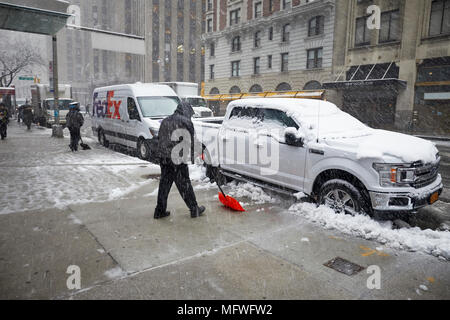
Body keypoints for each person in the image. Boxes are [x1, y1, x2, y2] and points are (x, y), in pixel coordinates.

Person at [154, 102, 205, 219]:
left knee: (164, 185)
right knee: (185, 185)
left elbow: (159, 139)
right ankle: (194, 209)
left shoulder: (165, 120)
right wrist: (202, 149)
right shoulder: (186, 122)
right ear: (187, 111)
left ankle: (159, 211)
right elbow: (192, 142)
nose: (190, 117)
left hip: (164, 158)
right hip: (177, 159)